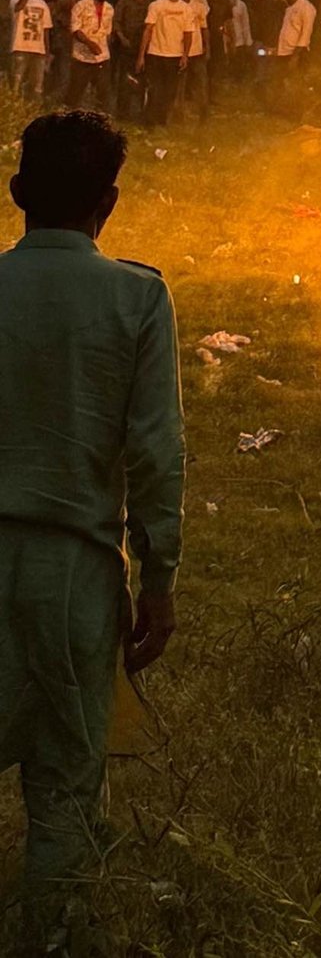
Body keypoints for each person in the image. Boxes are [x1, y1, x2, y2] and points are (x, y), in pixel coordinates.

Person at [0, 111, 183, 935]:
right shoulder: (138, 297)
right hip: (75, 572)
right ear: (107, 202)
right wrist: (161, 579)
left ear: (16, 194)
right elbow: (155, 453)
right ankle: (49, 935)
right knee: (66, 789)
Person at [136, 0, 195, 128]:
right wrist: (141, 56)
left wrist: (185, 56)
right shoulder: (156, 5)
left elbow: (188, 33)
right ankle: (149, 123)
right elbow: (148, 29)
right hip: (156, 53)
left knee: (170, 92)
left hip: (175, 55)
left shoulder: (186, 8)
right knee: (155, 90)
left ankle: (162, 121)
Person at [65, 0, 114, 113]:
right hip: (82, 56)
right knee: (75, 92)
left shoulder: (109, 8)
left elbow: (108, 32)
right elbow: (75, 29)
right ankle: (68, 117)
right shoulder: (80, 6)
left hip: (102, 57)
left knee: (103, 93)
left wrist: (104, 48)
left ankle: (100, 121)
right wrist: (89, 43)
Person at [112, 0, 152, 122]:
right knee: (125, 82)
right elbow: (116, 22)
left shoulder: (153, 2)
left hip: (148, 48)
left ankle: (142, 115)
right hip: (127, 47)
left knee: (144, 84)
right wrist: (122, 38)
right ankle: (123, 116)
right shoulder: (125, 1)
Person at [274, 0, 316, 109]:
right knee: (284, 81)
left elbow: (305, 35)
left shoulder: (307, 8)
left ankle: (299, 110)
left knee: (297, 82)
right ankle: (286, 108)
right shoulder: (290, 8)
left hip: (296, 53)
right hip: (284, 51)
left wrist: (296, 56)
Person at [9, 0, 52, 103]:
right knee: (17, 81)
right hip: (20, 46)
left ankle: (34, 109)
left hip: (38, 49)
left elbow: (46, 29)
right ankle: (13, 106)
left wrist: (47, 52)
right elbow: (18, 8)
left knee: (37, 85)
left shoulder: (43, 4)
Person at [178, 0, 211, 121]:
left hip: (196, 50)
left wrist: (207, 47)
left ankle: (203, 112)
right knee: (180, 84)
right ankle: (179, 114)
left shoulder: (197, 5)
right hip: (176, 50)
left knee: (200, 82)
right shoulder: (171, 5)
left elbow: (205, 27)